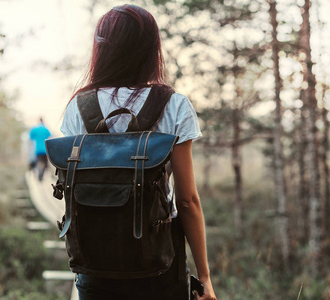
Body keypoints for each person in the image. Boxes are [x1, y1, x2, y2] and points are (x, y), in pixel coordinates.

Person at [60, 4, 217, 300]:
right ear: (150, 50)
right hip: (159, 262)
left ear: (101, 50)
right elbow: (187, 201)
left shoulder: (78, 107)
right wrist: (205, 278)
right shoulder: (174, 105)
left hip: (95, 261)